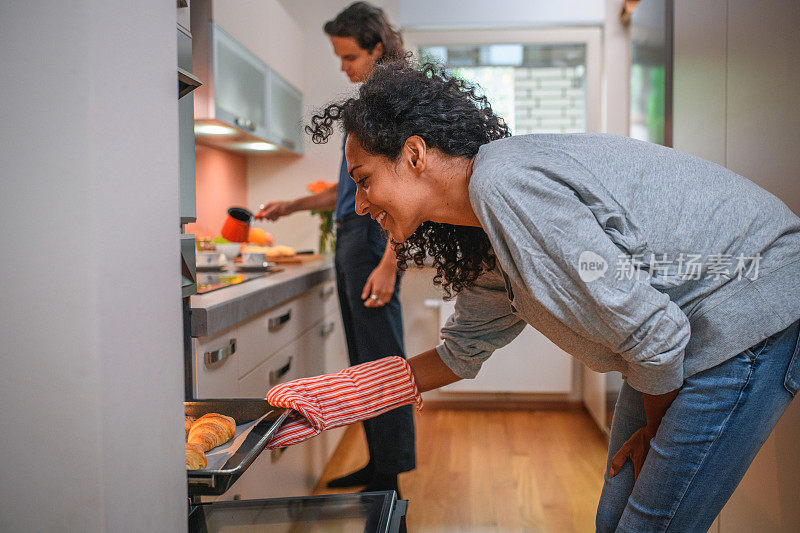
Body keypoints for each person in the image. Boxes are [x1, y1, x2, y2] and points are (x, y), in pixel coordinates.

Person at [265, 60, 800, 531]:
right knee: (613, 518)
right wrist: (338, 397)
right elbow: (459, 354)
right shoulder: (481, 231)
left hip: (745, 306)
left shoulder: (504, 184)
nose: (358, 205)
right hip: (680, 333)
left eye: (363, 179)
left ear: (414, 154)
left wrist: (659, 439)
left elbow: (654, 336)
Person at [256, 3, 414, 495]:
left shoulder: (390, 105)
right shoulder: (368, 105)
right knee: (363, 360)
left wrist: (391, 261)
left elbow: (406, 191)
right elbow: (346, 190)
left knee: (380, 360)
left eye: (349, 57)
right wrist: (294, 205)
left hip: (372, 240)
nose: (343, 67)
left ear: (377, 48)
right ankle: (378, 465)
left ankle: (388, 483)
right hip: (354, 236)